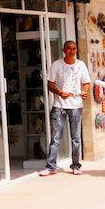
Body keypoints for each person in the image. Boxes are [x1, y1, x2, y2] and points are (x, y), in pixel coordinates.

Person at [40, 40, 91, 176]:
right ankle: (51, 166)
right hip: (59, 105)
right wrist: (59, 92)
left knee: (76, 138)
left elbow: (86, 83)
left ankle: (76, 165)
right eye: (69, 49)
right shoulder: (56, 65)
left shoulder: (81, 65)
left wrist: (85, 92)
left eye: (74, 49)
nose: (72, 51)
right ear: (64, 50)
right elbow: (50, 84)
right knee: (55, 137)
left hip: (76, 105)